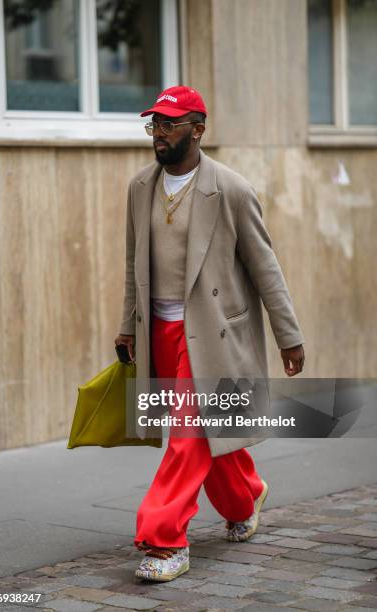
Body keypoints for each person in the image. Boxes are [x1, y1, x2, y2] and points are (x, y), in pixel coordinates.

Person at [114, 85, 305, 582]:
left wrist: (289, 336)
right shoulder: (140, 187)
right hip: (160, 330)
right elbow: (134, 264)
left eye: (169, 125)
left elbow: (267, 268)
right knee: (207, 434)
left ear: (197, 130)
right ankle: (247, 494)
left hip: (213, 333)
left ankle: (163, 539)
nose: (159, 134)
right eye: (154, 125)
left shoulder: (232, 190)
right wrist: (126, 326)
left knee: (187, 435)